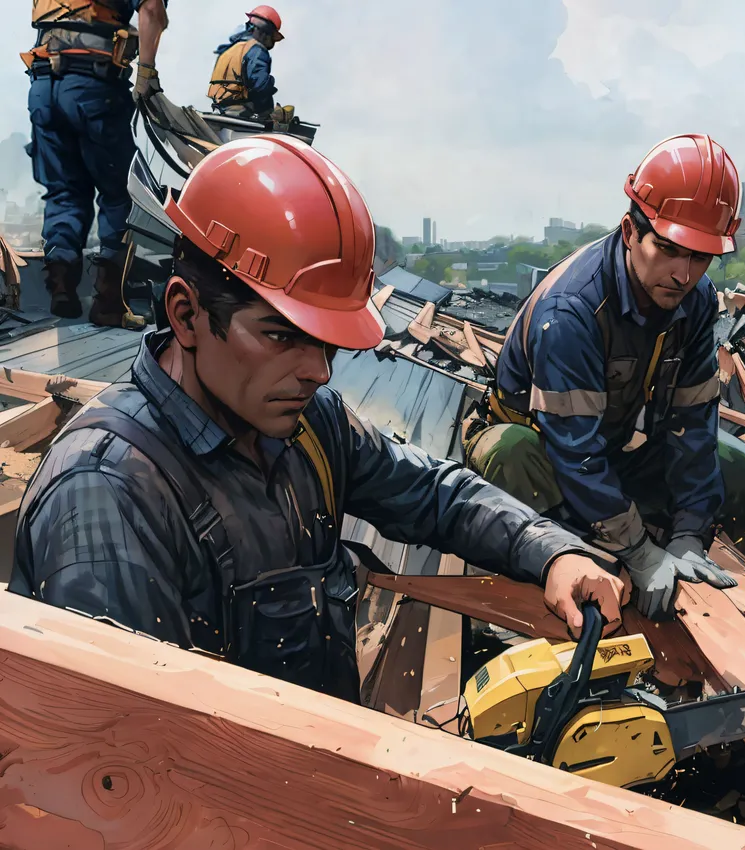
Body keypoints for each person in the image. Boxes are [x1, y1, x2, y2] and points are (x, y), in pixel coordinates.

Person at [10, 135, 626, 703]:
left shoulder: (308, 424)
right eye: (282, 335)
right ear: (186, 313)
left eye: (327, 344)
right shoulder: (108, 492)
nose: (319, 372)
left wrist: (550, 552)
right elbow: (133, 765)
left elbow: (434, 493)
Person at [464, 134, 745, 659]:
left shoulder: (695, 302)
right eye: (666, 249)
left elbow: (693, 426)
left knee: (741, 464)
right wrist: (640, 553)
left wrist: (689, 532)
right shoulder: (571, 312)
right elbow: (575, 451)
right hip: (541, 455)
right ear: (629, 232)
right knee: (509, 455)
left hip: (611, 451)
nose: (683, 274)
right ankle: (574, 598)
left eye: (701, 257)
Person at [23, 0, 169, 329]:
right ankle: (108, 305)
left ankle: (61, 287)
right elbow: (151, 12)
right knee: (118, 194)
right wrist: (145, 75)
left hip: (43, 84)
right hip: (94, 84)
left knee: (63, 191)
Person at [208, 5, 283, 121]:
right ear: (265, 33)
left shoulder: (229, 50)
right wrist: (269, 114)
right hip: (241, 112)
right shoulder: (257, 50)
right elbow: (260, 87)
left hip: (221, 110)